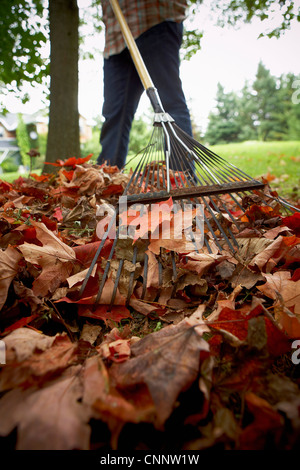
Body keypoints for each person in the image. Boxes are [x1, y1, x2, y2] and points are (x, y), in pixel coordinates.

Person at [97, 0, 193, 169]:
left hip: (153, 19)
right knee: (114, 116)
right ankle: (106, 185)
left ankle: (182, 184)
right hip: (115, 38)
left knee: (169, 104)